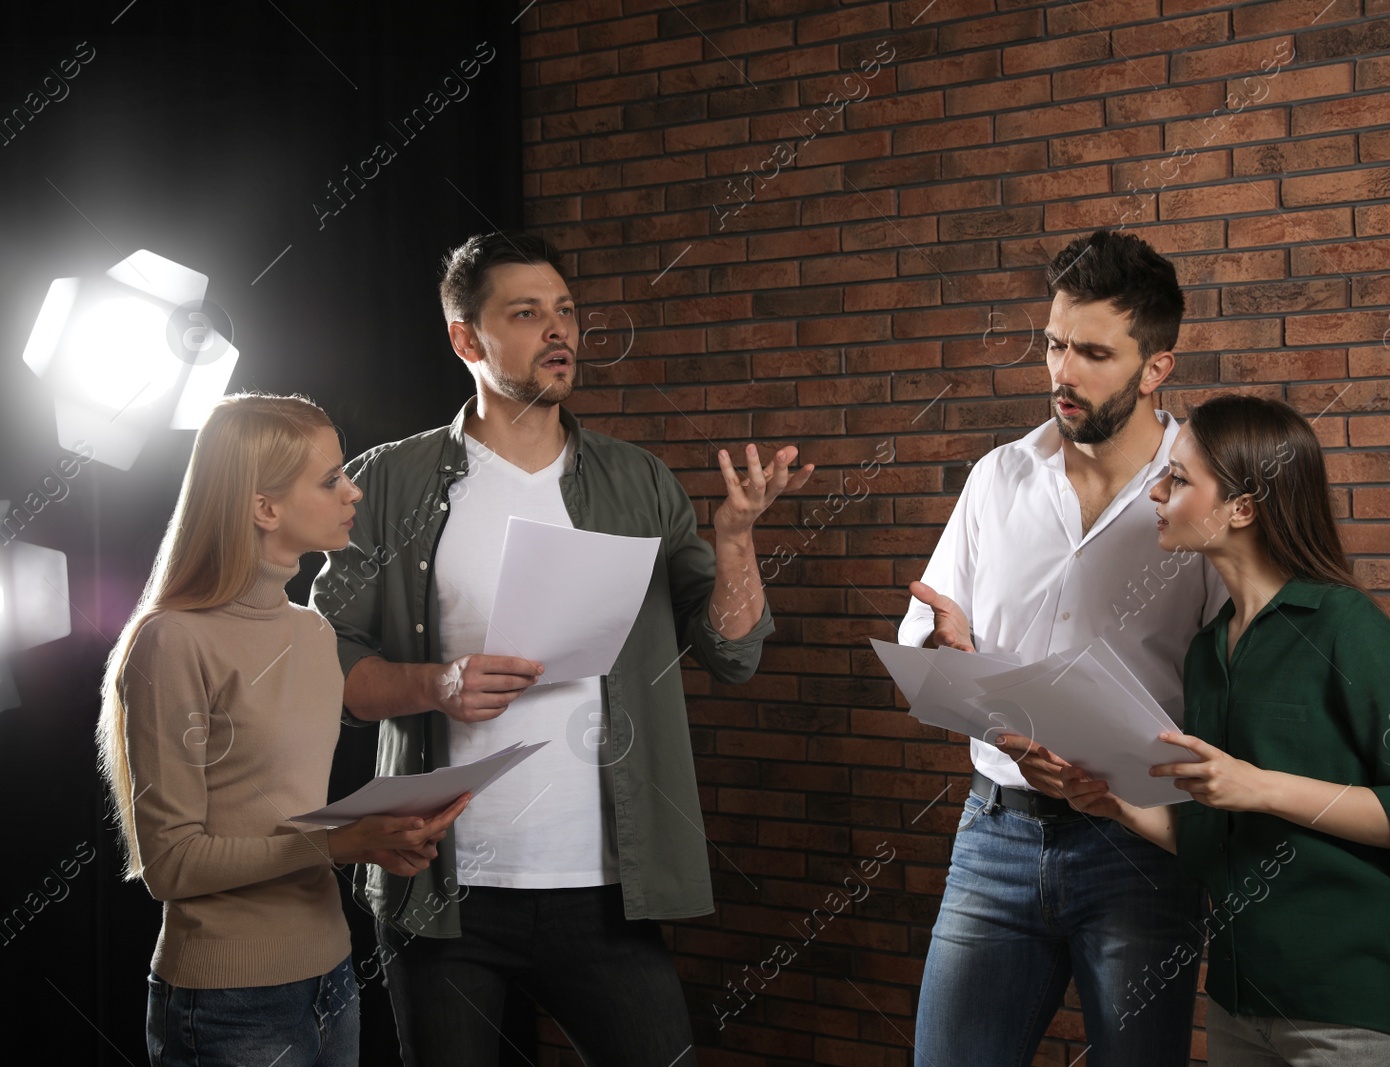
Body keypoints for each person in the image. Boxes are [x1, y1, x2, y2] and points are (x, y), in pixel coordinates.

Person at [310, 232, 813, 1067]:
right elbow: (323, 661)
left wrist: (735, 541)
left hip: (607, 888)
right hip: (444, 889)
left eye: (567, 311)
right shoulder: (390, 482)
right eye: (528, 313)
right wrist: (439, 683)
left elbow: (732, 651)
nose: (559, 330)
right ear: (467, 340)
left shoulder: (638, 481)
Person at [901, 229, 1229, 1066]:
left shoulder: (1204, 496)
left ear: (1157, 366)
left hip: (1137, 850)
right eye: (1053, 344)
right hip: (995, 832)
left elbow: (1242, 678)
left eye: (1091, 351)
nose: (1062, 371)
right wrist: (955, 660)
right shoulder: (998, 476)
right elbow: (932, 631)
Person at [1059, 393, 1390, 1065]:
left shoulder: (1347, 628)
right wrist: (1114, 805)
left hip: (1352, 1008)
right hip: (1239, 1007)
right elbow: (1217, 840)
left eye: (1179, 479)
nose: (1155, 491)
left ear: (1243, 508)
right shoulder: (1208, 649)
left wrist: (1259, 785)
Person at [98, 393, 469, 1067]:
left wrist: (384, 833)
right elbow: (172, 863)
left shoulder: (314, 632)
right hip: (226, 1001)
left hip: (332, 977)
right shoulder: (173, 641)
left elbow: (288, 808)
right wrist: (338, 843)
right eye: (330, 479)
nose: (352, 490)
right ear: (264, 507)